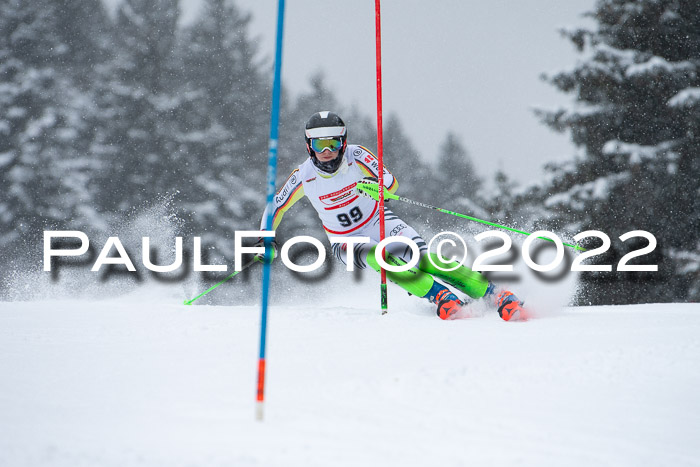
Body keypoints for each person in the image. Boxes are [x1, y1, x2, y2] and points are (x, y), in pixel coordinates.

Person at [256, 111, 527, 321]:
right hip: (344, 240)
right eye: (319, 144)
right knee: (380, 258)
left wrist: (378, 188)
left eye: (333, 143)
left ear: (343, 141)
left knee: (422, 260)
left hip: (380, 222)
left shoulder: (357, 155)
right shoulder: (304, 176)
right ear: (308, 146)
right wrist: (265, 238)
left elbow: (390, 182)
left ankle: (494, 294)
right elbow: (275, 207)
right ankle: (441, 297)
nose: (327, 152)